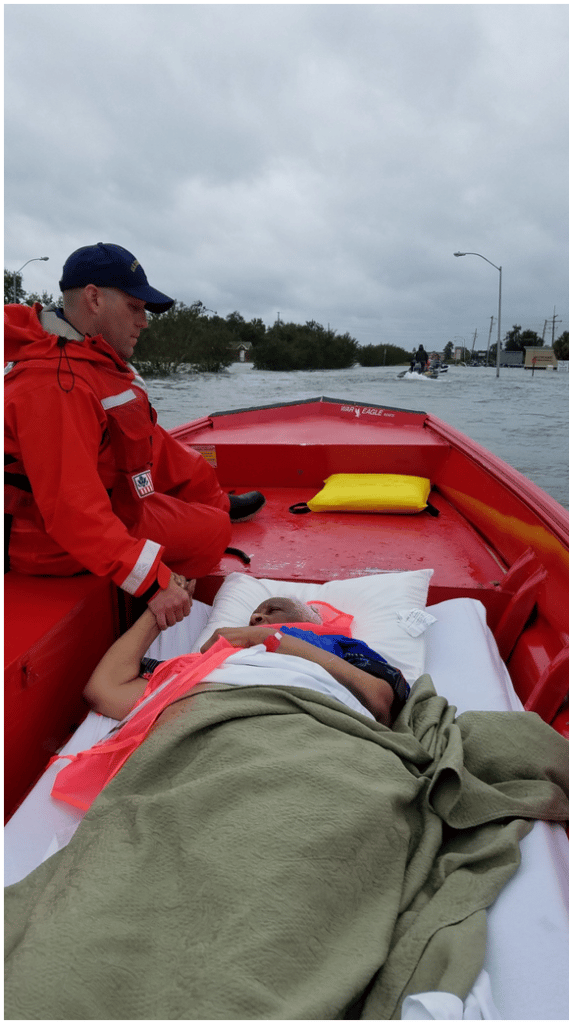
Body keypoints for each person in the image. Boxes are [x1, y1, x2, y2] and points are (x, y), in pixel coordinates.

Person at [4, 242, 265, 629]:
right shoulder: (55, 382)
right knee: (213, 533)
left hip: (110, 505)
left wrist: (214, 499)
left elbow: (149, 444)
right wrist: (153, 582)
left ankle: (214, 505)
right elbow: (72, 511)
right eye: (135, 308)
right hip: (50, 545)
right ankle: (142, 589)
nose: (144, 321)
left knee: (212, 515)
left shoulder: (89, 361)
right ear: (94, 298)